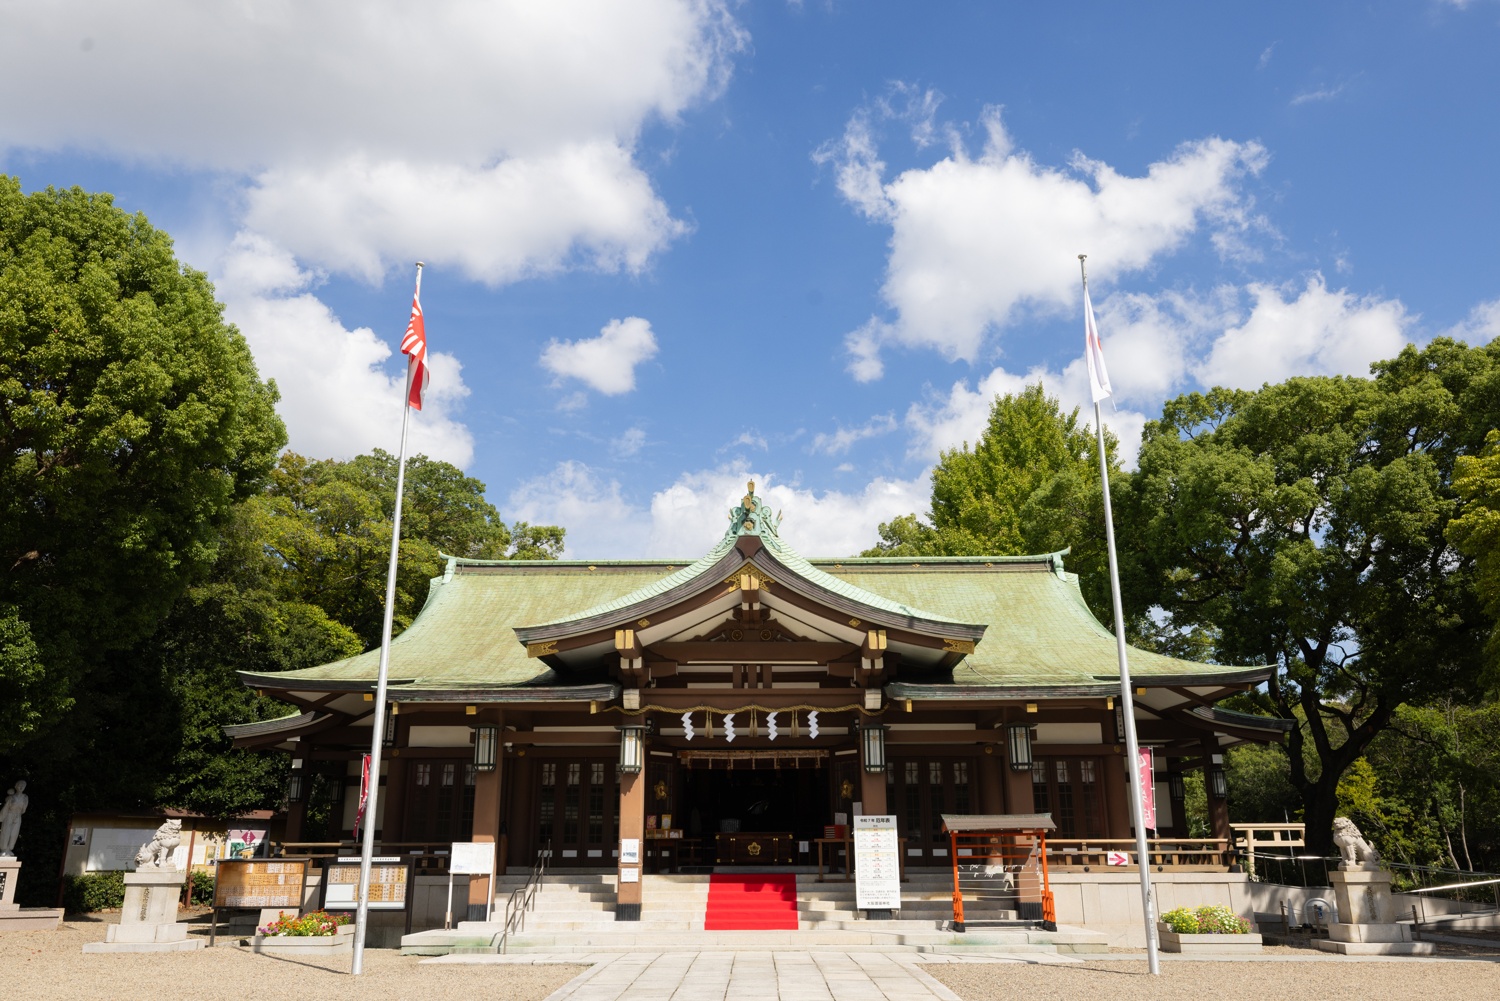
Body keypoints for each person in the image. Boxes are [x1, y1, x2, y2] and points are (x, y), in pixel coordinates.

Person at [0, 780, 28, 857]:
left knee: (14, 833)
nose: (21, 787)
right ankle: (3, 850)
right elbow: (6, 806)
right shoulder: (11, 797)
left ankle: (9, 849)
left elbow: (23, 810)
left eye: (23, 786)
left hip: (18, 816)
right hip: (9, 815)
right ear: (16, 786)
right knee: (6, 832)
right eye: (19, 785)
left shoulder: (25, 798)